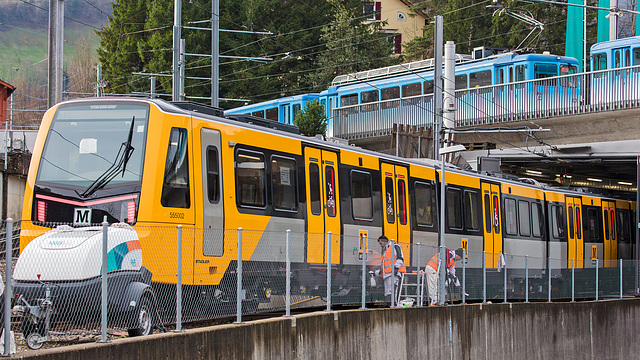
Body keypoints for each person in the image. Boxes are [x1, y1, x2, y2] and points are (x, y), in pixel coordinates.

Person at [374, 235, 406, 306]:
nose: (380, 245)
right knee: (388, 293)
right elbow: (384, 265)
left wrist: (396, 268)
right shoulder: (386, 251)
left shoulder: (395, 246)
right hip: (388, 274)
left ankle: (393, 306)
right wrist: (377, 272)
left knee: (392, 292)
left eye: (381, 243)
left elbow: (400, 258)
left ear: (385, 241)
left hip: (393, 274)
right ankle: (391, 306)